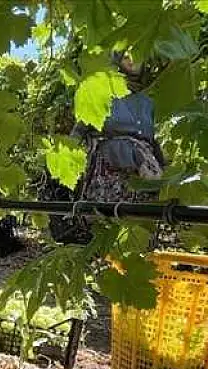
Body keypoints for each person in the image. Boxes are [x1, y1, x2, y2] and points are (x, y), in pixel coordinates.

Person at [50, 53, 166, 244]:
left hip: (141, 172)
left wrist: (162, 170)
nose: (132, 59)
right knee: (105, 228)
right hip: (108, 171)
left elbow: (151, 140)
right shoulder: (101, 92)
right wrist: (67, 165)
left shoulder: (147, 100)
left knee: (138, 230)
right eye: (126, 54)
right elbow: (79, 131)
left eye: (138, 53)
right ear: (117, 59)